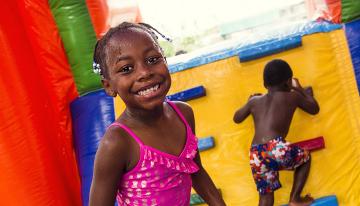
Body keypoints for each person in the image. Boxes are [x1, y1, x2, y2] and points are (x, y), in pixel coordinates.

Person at [89, 22, 226, 206]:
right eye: (126, 69)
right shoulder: (117, 142)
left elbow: (196, 170)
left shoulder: (184, 114)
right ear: (109, 86)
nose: (145, 73)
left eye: (153, 60)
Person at [233, 59, 320, 206]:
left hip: (256, 153)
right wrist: (299, 88)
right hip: (275, 148)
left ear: (265, 85)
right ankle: (295, 198)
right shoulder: (293, 96)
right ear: (288, 82)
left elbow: (237, 118)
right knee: (305, 157)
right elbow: (314, 108)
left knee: (265, 196)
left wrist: (249, 101)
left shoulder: (255, 101)